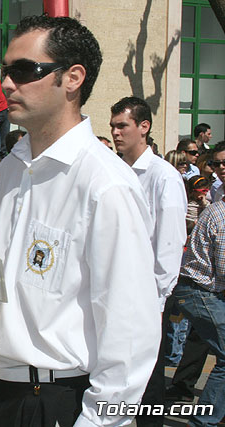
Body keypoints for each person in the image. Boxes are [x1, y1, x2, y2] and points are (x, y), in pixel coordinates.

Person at [0, 15, 160, 427]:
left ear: (72, 78)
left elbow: (129, 328)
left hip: (56, 398)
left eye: (23, 71)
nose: (5, 84)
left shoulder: (105, 184)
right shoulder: (10, 169)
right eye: (5, 70)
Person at [110, 96, 187, 427]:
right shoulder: (118, 171)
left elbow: (169, 244)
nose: (115, 132)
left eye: (122, 126)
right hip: (118, 289)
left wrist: (156, 303)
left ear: (144, 127)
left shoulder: (163, 177)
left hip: (147, 296)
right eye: (112, 126)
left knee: (148, 380)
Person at [172, 141, 225, 425]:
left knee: (204, 344)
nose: (220, 170)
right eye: (217, 164)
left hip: (204, 290)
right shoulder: (220, 210)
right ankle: (203, 420)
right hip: (200, 289)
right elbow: (223, 269)